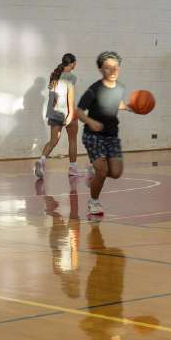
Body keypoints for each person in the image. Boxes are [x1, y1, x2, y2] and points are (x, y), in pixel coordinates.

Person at [77, 51, 129, 219]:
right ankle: (93, 201)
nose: (112, 71)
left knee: (115, 173)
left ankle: (93, 169)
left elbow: (115, 103)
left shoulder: (120, 87)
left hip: (112, 135)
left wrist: (130, 106)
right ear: (101, 69)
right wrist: (90, 122)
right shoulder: (93, 90)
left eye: (115, 67)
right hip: (93, 135)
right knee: (102, 171)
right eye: (108, 68)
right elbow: (78, 111)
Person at [35, 53, 84, 179]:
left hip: (54, 112)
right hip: (66, 112)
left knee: (53, 141)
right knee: (72, 140)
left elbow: (52, 96)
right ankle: (72, 168)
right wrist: (70, 115)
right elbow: (70, 97)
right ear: (72, 63)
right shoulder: (71, 77)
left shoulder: (54, 75)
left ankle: (41, 160)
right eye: (75, 62)